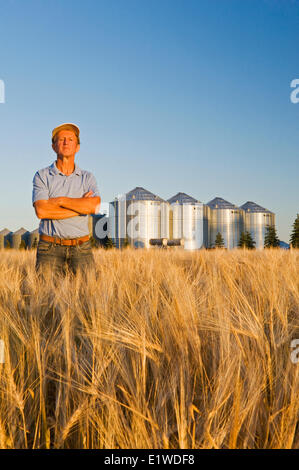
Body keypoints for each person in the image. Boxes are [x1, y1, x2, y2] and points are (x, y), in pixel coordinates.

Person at [32, 123, 101, 276]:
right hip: (49, 248)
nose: (66, 142)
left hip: (82, 248)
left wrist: (60, 201)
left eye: (71, 139)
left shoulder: (87, 177)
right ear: (53, 146)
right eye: (61, 139)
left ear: (77, 147)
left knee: (86, 297)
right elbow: (42, 211)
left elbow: (95, 207)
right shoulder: (42, 175)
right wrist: (80, 207)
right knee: (46, 297)